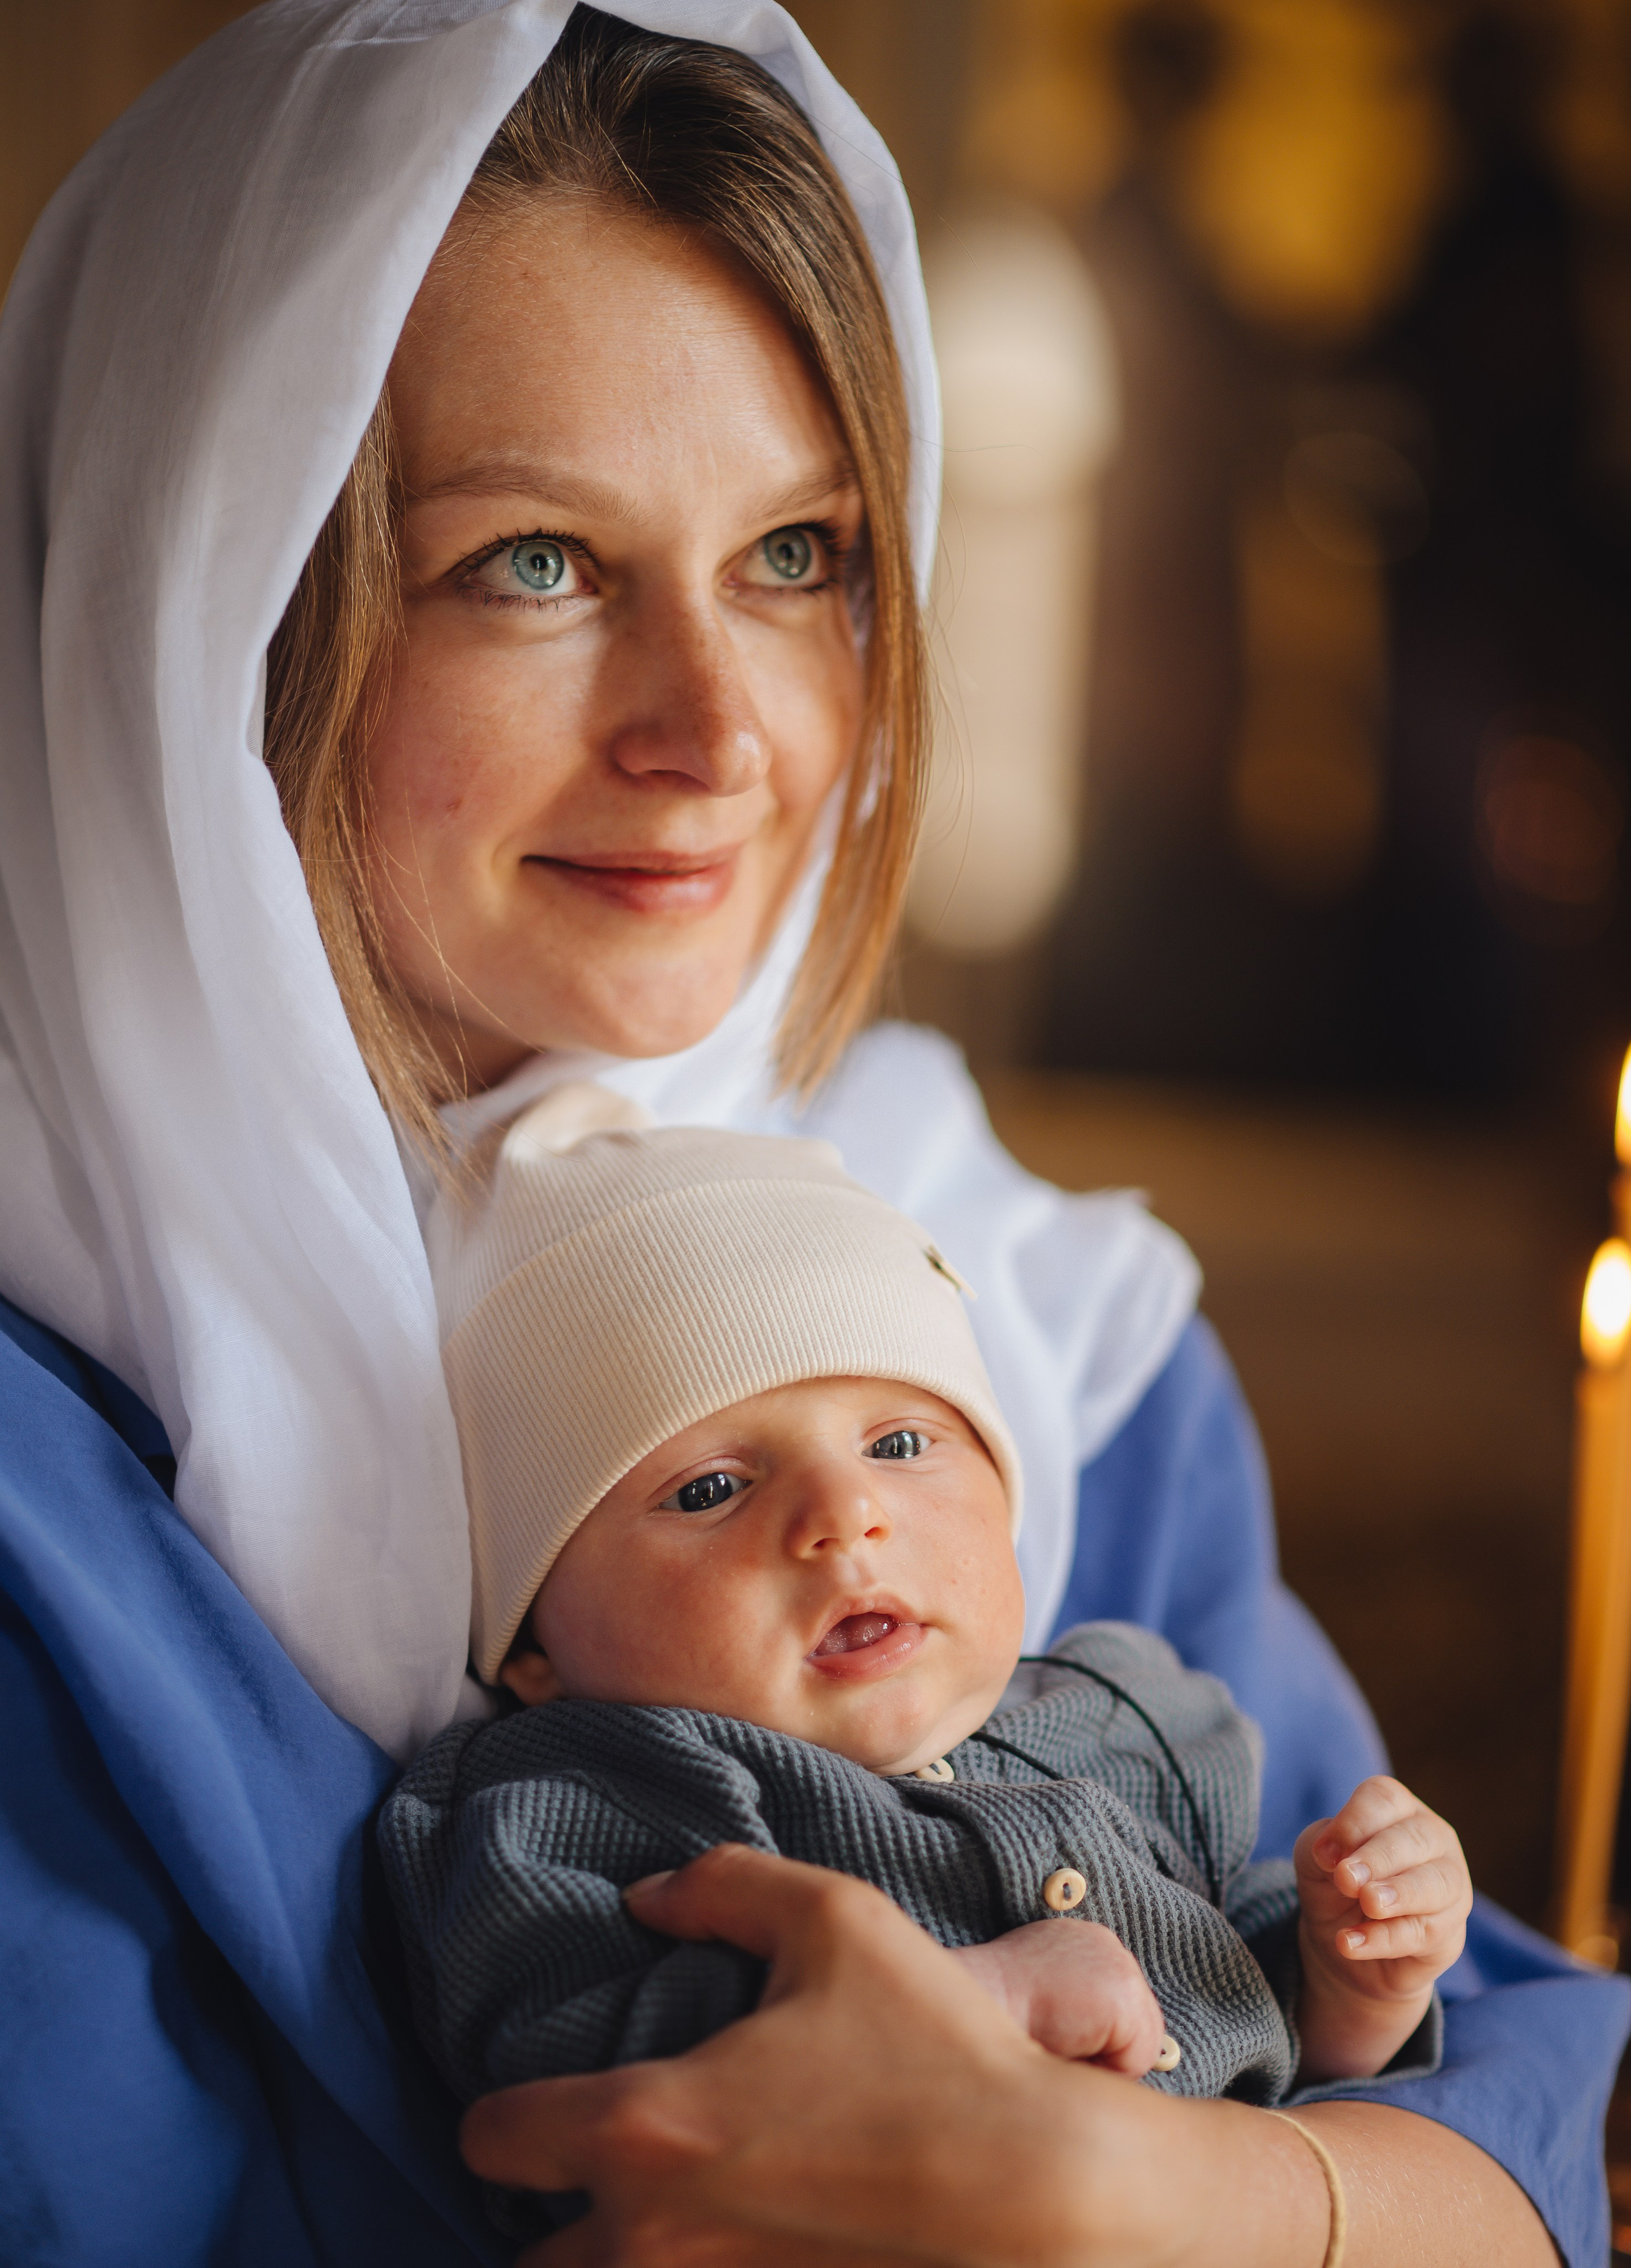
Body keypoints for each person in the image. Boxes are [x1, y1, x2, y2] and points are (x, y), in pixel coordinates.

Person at [0, 6, 1622, 2265]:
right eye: (535, 563)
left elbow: (1519, 2099)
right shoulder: (43, 1486)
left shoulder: (1026, 1327)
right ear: (198, 605)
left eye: (799, 554)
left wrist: (1156, 2196)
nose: (726, 730)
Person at [380, 1109, 1469, 2178]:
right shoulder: (583, 1797)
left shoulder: (1130, 1722)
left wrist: (1355, 1979)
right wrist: (967, 1998)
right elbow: (557, 2039)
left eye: (899, 1442)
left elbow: (1252, 2006)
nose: (844, 1514)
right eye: (711, 1489)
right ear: (537, 1650)